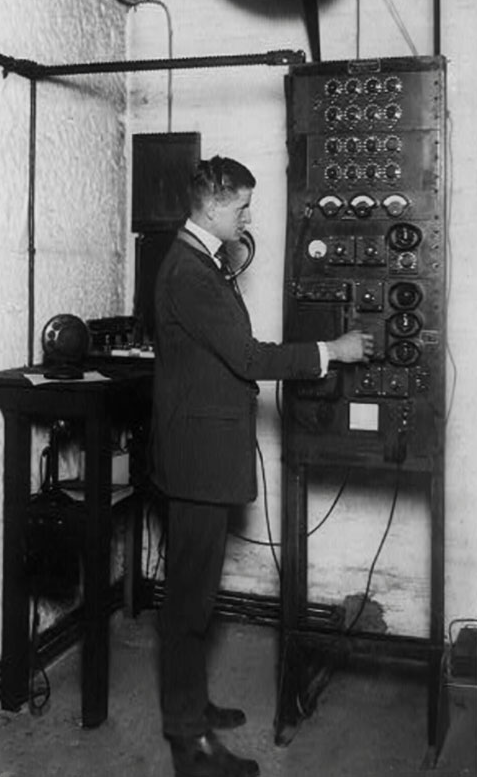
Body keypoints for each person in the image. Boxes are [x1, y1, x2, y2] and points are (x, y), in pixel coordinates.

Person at [151, 155, 372, 777]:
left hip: (201, 452)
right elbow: (247, 356)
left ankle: (192, 705)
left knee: (196, 597)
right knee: (190, 604)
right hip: (197, 460)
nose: (248, 217)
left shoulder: (200, 261)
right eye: (242, 206)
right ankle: (189, 746)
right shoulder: (191, 273)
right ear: (215, 207)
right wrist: (334, 351)